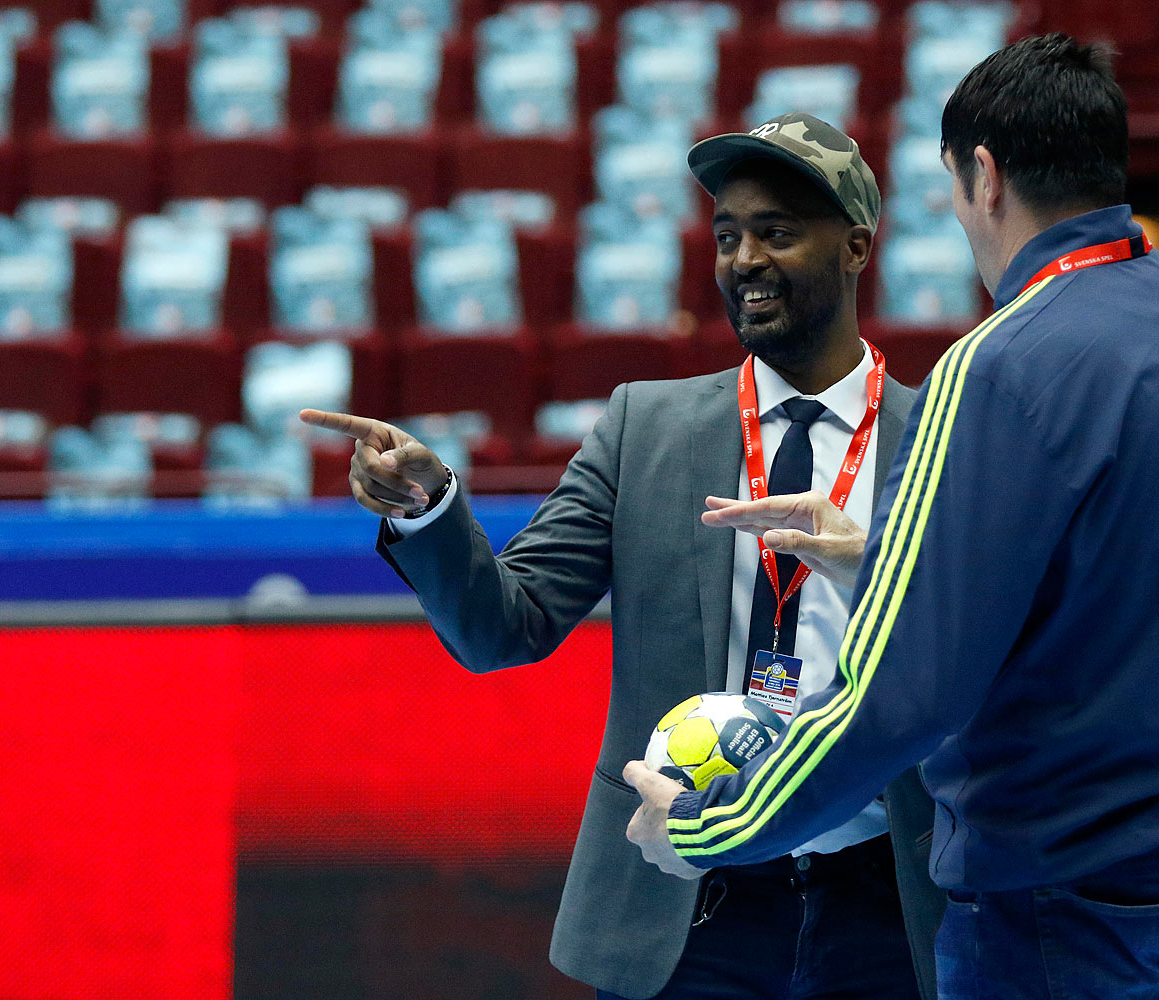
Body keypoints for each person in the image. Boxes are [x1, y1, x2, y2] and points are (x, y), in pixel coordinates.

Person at [626, 35, 1159, 999]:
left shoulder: (998, 363)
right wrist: (891, 562)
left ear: (983, 175)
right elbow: (1151, 589)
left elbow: (902, 694)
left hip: (1064, 898)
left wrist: (711, 828)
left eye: (950, 186)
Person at [301, 112, 946, 1000]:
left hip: (888, 904)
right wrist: (432, 508)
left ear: (858, 247)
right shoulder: (645, 428)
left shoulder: (941, 440)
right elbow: (504, 626)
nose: (745, 260)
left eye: (778, 233)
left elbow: (982, 653)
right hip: (683, 904)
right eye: (728, 236)